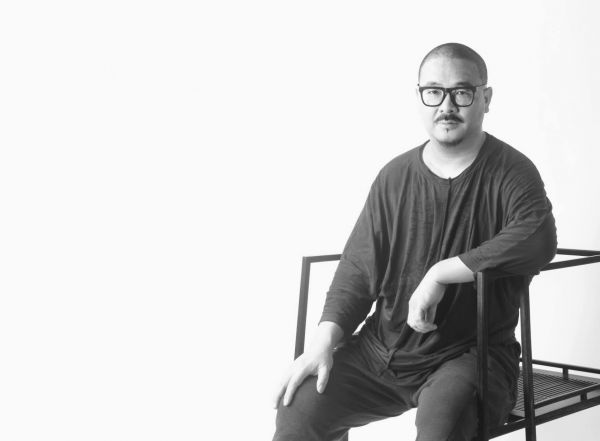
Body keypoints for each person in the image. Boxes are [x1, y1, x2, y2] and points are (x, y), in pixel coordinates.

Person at [271, 43, 557, 441]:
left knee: (444, 424)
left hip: (471, 354)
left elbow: (538, 237)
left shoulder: (512, 171)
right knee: (301, 408)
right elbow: (358, 269)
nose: (447, 106)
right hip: (381, 349)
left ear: (486, 98)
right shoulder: (394, 176)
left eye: (462, 92)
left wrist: (441, 273)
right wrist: (323, 341)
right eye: (434, 92)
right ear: (420, 97)